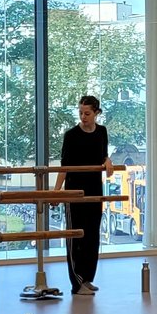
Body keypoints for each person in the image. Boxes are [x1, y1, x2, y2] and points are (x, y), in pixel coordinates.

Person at [56, 95, 112, 296]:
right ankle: (76, 283)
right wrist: (56, 192)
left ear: (96, 113)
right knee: (76, 237)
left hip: (95, 190)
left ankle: (87, 278)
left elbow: (103, 155)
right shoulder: (71, 135)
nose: (83, 116)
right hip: (74, 191)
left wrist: (107, 161)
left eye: (87, 113)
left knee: (92, 235)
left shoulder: (102, 132)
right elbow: (65, 166)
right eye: (80, 113)